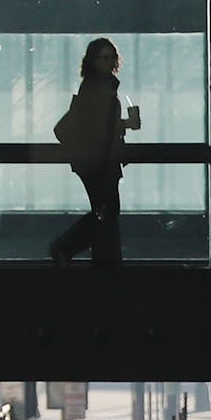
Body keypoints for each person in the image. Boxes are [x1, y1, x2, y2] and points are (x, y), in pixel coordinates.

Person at [48, 37, 140, 267]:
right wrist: (127, 124)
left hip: (97, 161)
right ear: (93, 60)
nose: (109, 62)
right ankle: (69, 248)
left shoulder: (97, 86)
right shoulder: (98, 88)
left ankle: (99, 259)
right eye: (104, 57)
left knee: (104, 212)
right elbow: (99, 127)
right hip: (100, 161)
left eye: (112, 57)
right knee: (106, 213)